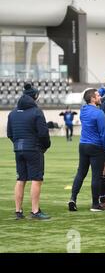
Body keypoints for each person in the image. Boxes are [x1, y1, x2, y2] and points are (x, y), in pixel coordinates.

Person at [7, 83, 51, 220]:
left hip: (18, 149)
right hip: (33, 149)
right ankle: (35, 211)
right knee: (36, 179)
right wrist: (44, 146)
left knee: (21, 179)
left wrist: (17, 144)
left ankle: (18, 211)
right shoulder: (37, 112)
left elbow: (9, 133)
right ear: (35, 97)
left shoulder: (12, 113)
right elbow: (43, 133)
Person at [68, 88, 105, 212]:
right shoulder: (99, 113)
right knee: (96, 176)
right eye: (98, 96)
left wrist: (103, 89)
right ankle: (95, 204)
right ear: (92, 99)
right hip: (96, 146)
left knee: (81, 173)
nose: (100, 97)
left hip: (83, 145)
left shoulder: (83, 110)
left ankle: (73, 199)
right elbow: (103, 133)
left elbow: (89, 96)